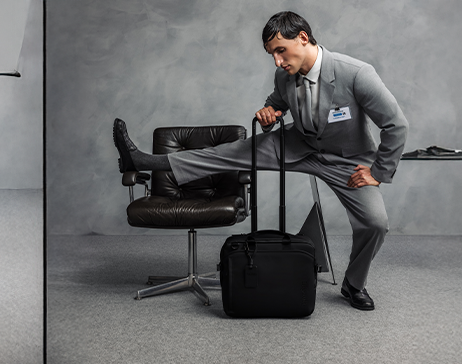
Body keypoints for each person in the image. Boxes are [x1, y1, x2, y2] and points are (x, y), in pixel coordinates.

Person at [113, 11, 407, 311]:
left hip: (347, 161)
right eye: (272, 55)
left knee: (375, 223)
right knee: (226, 153)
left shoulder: (356, 74)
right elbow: (276, 105)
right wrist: (268, 114)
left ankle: (354, 284)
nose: (277, 62)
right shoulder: (284, 75)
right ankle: (142, 161)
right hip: (297, 145)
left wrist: (378, 172)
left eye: (281, 50)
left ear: (302, 38)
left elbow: (396, 125)